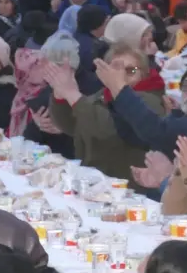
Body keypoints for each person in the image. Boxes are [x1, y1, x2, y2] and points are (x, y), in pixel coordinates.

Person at [45, 44, 158, 183]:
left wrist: (72, 94)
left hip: (129, 188)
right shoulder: (102, 96)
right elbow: (71, 125)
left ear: (144, 73)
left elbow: (108, 129)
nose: (121, 76)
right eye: (115, 70)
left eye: (130, 70)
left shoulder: (151, 100)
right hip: (94, 183)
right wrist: (60, 95)